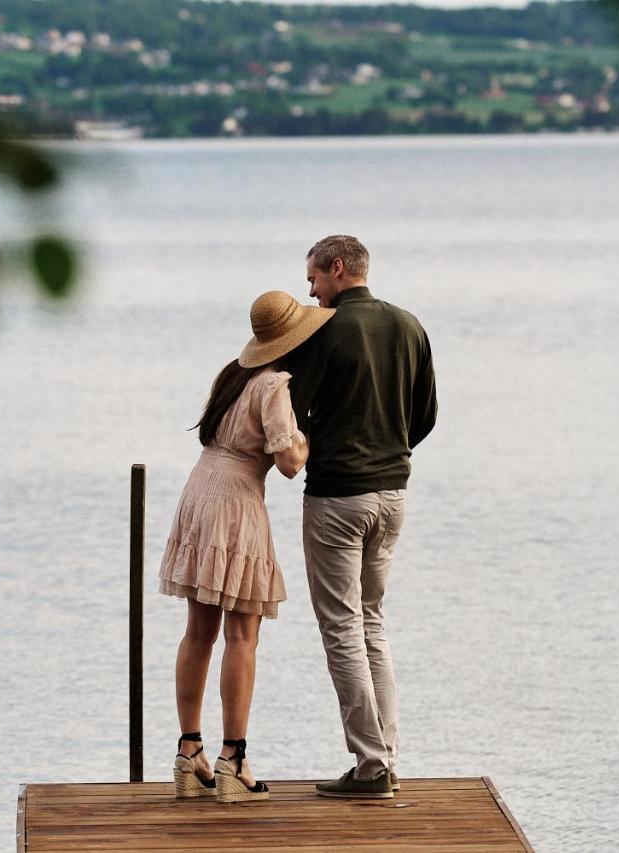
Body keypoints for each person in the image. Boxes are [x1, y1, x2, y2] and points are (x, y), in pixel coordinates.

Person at [159, 290, 334, 804]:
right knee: (242, 636)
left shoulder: (230, 375)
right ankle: (233, 759)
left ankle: (189, 751)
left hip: (199, 492)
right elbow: (289, 462)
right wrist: (310, 437)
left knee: (198, 633)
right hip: (236, 502)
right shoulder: (274, 384)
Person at [288, 235, 438, 799]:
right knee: (372, 622)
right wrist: (387, 449)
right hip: (393, 493)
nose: (311, 290)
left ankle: (372, 767)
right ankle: (385, 757)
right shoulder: (410, 325)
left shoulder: (323, 331)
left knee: (341, 628)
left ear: (338, 268)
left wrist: (327, 449)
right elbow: (424, 415)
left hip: (336, 497)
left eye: (314, 279)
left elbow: (294, 413)